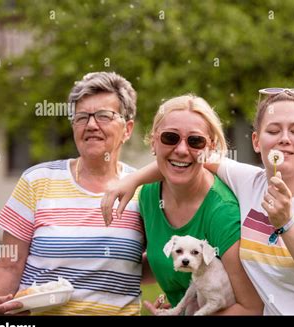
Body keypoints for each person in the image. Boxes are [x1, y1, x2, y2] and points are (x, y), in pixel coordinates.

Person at [102, 88, 294, 315]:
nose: (284, 139)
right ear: (256, 141)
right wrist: (133, 180)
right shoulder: (248, 182)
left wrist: (287, 224)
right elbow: (185, 157)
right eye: (273, 130)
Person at [0, 72, 145, 315]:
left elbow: (161, 261)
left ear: (127, 129)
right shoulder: (37, 181)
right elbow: (8, 265)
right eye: (81, 117)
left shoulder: (144, 191)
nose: (90, 125)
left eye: (103, 116)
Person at [104, 94, 262, 315]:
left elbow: (252, 308)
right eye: (170, 138)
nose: (181, 150)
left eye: (195, 141)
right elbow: (159, 260)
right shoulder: (149, 194)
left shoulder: (222, 212)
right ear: (153, 141)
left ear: (210, 148)